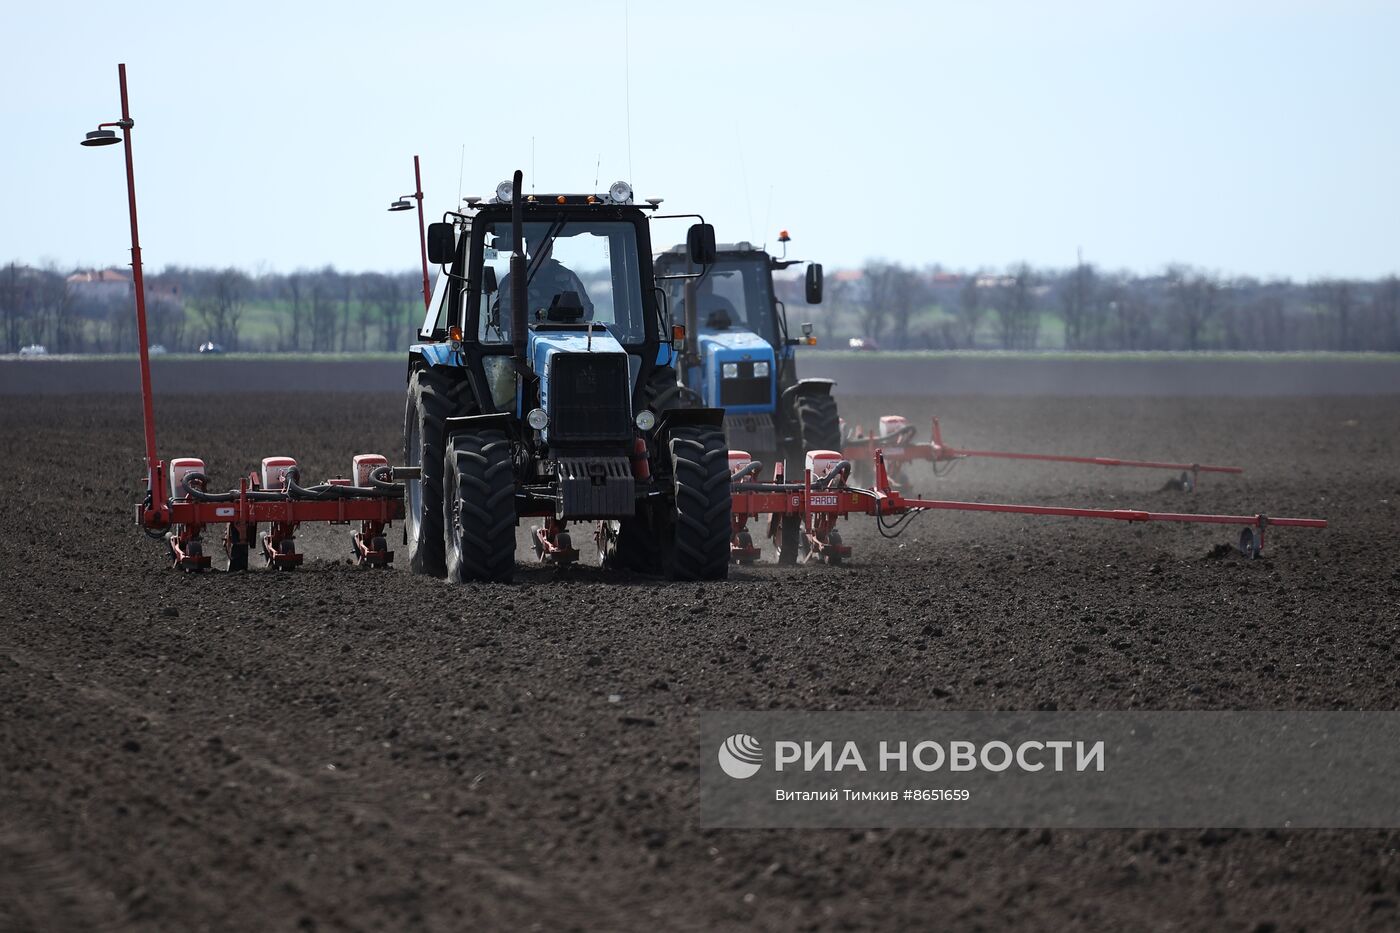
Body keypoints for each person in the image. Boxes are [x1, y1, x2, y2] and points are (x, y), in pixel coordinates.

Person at [494, 235, 594, 324]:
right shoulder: (515, 279)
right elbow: (501, 316)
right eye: (537, 247)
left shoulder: (567, 278)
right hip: (523, 339)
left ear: (552, 249)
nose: (542, 251)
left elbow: (587, 310)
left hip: (564, 335)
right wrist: (529, 320)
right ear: (529, 250)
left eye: (546, 247)